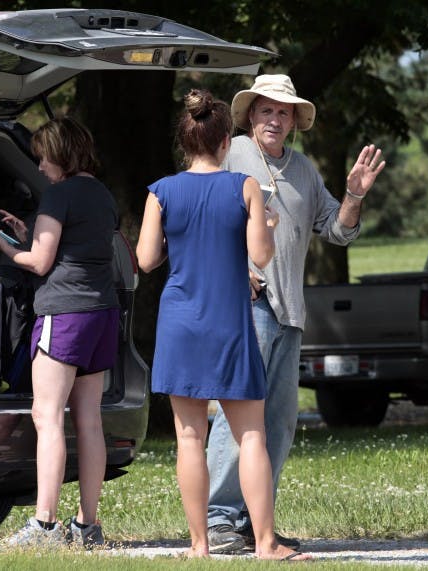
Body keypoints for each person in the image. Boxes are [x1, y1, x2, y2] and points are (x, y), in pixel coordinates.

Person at [205, 74, 386, 553]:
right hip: (244, 306)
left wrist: (355, 195)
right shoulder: (231, 153)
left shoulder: (303, 169)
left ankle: (254, 522)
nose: (274, 118)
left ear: (294, 122)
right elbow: (203, 215)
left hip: (290, 313)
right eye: (266, 109)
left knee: (279, 423)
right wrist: (231, 269)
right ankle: (218, 519)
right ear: (250, 115)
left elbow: (337, 230)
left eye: (283, 112)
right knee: (235, 414)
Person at [136, 88, 309, 562]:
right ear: (226, 142)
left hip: (180, 322)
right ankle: (266, 544)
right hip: (229, 321)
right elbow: (261, 257)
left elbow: (146, 260)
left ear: (185, 142)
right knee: (251, 434)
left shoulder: (160, 191)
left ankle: (199, 546)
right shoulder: (244, 187)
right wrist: (266, 226)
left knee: (189, 437)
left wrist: (180, 239)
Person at [0, 116, 120, 549]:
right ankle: (87, 527)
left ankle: (44, 526)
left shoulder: (59, 194)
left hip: (64, 314)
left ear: (61, 154)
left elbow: (40, 262)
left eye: (44, 157)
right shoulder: (101, 194)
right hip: (101, 314)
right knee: (89, 421)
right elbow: (75, 245)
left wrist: (10, 248)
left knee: (46, 416)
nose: (41, 165)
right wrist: (32, 235)